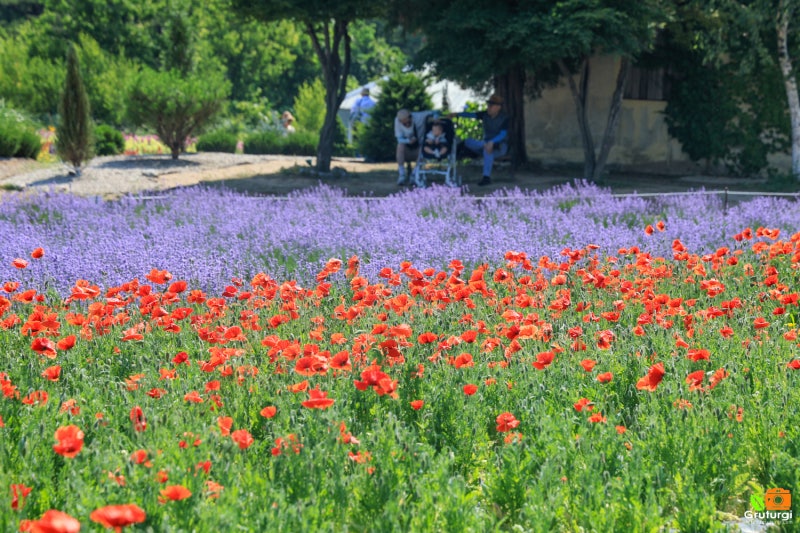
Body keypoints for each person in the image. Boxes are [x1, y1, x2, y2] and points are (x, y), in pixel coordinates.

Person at [449, 93, 509, 186]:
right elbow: (470, 115)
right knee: (468, 141)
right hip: (485, 144)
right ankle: (482, 147)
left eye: (491, 105)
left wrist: (492, 142)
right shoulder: (484, 115)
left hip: (499, 146)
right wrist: (457, 114)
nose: (489, 107)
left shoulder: (504, 118)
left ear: (498, 107)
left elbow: (503, 134)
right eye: (488, 105)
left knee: (488, 151)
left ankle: (486, 177)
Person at [394, 109, 434, 186]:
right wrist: (408, 141)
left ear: (410, 117)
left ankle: (414, 174)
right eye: (404, 124)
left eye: (408, 122)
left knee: (423, 148)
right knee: (400, 146)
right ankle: (402, 174)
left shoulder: (419, 117)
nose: (407, 124)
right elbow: (399, 139)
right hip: (407, 146)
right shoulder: (397, 121)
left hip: (419, 146)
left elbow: (434, 112)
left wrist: (435, 117)